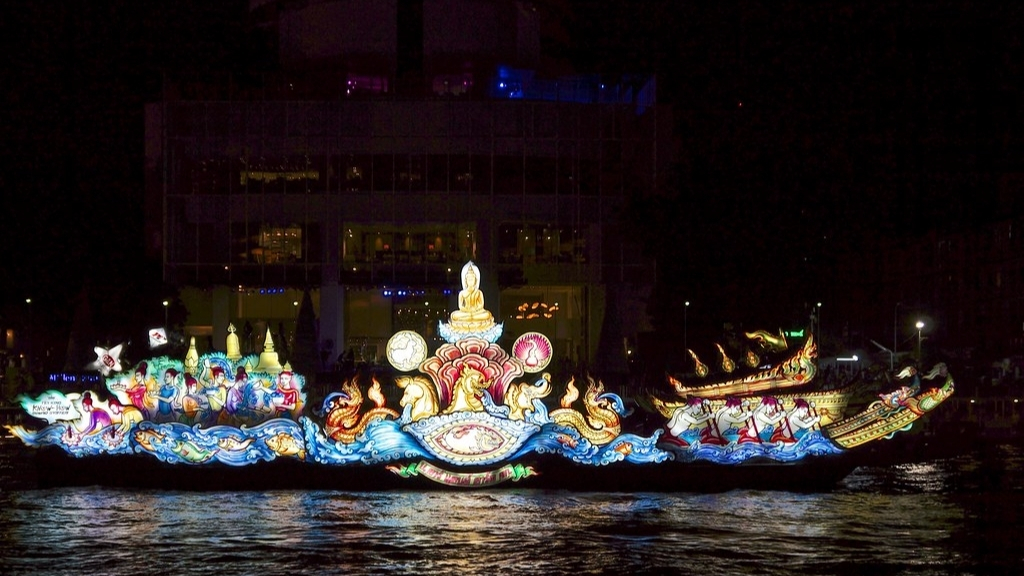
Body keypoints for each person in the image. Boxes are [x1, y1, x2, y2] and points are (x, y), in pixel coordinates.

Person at [449, 261, 494, 330]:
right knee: (454, 315)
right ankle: (470, 318)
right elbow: (460, 306)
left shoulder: (479, 292)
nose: (470, 281)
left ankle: (471, 318)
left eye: (472, 279)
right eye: (469, 279)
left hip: (477, 313)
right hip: (466, 312)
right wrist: (467, 310)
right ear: (465, 281)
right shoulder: (462, 293)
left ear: (475, 280)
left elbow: (481, 305)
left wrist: (475, 310)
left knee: (487, 314)